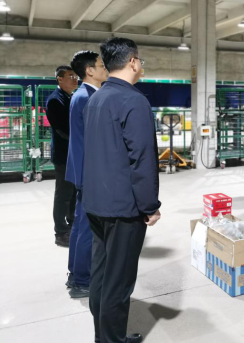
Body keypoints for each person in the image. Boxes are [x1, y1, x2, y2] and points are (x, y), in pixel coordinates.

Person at [83, 37, 161, 343]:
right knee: (119, 281)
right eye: (140, 60)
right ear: (132, 62)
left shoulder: (97, 98)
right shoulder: (133, 101)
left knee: (102, 275)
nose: (140, 65)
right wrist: (149, 206)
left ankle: (103, 335)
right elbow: (142, 159)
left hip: (96, 202)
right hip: (123, 208)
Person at [65, 51, 108, 299]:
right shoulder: (87, 97)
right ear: (89, 70)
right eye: (102, 65)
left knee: (81, 226)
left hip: (84, 171)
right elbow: (92, 141)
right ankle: (82, 280)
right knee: (87, 229)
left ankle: (75, 275)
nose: (105, 69)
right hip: (88, 172)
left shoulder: (83, 95)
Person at [46, 65, 78, 247]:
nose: (75, 79)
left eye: (75, 76)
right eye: (70, 76)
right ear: (59, 79)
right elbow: (62, 130)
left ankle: (72, 224)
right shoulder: (55, 100)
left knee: (73, 193)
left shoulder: (69, 97)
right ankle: (60, 232)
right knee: (63, 194)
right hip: (63, 155)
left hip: (72, 154)